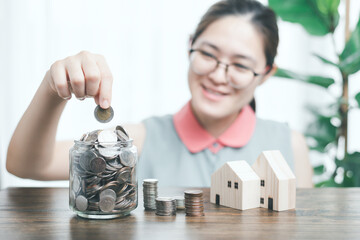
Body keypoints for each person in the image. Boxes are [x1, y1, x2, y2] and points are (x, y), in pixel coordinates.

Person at [6, 0, 313, 187]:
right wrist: (52, 89)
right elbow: (29, 165)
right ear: (189, 45)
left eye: (241, 65)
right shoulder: (139, 139)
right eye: (207, 53)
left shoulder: (290, 146)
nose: (219, 76)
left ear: (266, 75)